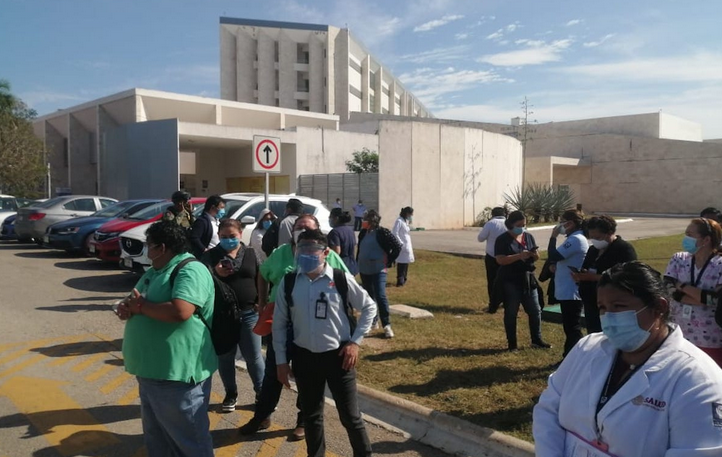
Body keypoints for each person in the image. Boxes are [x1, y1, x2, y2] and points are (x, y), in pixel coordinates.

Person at [533, 261, 722, 456]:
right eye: (602, 307)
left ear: (659, 307)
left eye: (619, 306)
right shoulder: (587, 349)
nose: (608, 316)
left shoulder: (697, 381)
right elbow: (548, 410)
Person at [239, 214, 350, 439]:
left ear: (318, 231)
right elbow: (263, 273)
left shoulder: (327, 254)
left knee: (305, 374)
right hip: (279, 321)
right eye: (299, 228)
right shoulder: (281, 253)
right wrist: (262, 301)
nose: (302, 231)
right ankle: (262, 415)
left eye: (308, 228)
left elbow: (346, 284)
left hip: (309, 324)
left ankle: (304, 421)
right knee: (273, 371)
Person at [115, 220, 216, 457]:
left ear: (162, 247)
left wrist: (140, 308)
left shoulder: (190, 269)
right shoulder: (155, 271)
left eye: (148, 245)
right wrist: (126, 307)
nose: (146, 251)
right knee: (159, 440)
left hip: (177, 375)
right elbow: (136, 300)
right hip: (151, 371)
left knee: (190, 442)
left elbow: (181, 311)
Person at [274, 229, 376, 457]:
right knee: (311, 416)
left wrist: (355, 343)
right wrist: (281, 361)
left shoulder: (340, 279)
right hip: (304, 358)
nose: (306, 254)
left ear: (326, 252)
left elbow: (369, 307)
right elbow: (278, 324)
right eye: (302, 249)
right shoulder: (289, 282)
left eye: (312, 250)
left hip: (338, 357)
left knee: (350, 417)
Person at [200, 219, 264, 413]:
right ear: (218, 236)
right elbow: (200, 281)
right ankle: (231, 394)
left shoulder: (252, 253)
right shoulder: (210, 256)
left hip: (249, 314)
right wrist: (215, 273)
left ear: (240, 234)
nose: (228, 240)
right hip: (222, 315)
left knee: (254, 356)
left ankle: (262, 393)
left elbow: (261, 277)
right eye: (224, 237)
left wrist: (261, 301)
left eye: (232, 236)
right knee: (225, 357)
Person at [664, 217, 722, 365]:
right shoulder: (679, 259)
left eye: (690, 234)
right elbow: (667, 288)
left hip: (711, 337)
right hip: (679, 333)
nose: (686, 238)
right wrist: (701, 298)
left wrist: (682, 286)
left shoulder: (719, 264)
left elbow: (716, 300)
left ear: (706, 240)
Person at [494, 211, 551, 351]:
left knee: (535, 310)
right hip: (511, 280)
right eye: (518, 225)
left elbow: (536, 257)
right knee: (511, 312)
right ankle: (512, 344)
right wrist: (519, 256)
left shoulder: (528, 237)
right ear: (510, 225)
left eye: (524, 225)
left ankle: (537, 340)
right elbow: (500, 260)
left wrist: (534, 255)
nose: (522, 228)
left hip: (528, 278)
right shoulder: (502, 239)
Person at [573, 215, 637, 334]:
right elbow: (586, 268)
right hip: (591, 301)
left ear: (610, 232)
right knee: (593, 334)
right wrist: (580, 276)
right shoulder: (593, 250)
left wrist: (594, 277)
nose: (594, 240)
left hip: (613, 304)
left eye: (597, 237)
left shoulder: (624, 249)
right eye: (591, 237)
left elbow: (627, 276)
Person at [547, 209, 589, 358]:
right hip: (567, 289)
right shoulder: (574, 238)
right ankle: (572, 357)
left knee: (572, 328)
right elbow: (560, 258)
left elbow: (553, 254)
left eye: (562, 221)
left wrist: (553, 237)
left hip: (572, 291)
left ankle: (572, 358)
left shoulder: (576, 239)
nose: (560, 225)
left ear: (570, 223)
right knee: (570, 326)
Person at [357, 209, 403, 338]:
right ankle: (373, 321)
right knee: (369, 297)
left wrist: (389, 260)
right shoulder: (363, 233)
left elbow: (397, 246)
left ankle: (386, 324)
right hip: (364, 269)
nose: (363, 221)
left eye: (365, 219)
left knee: (380, 295)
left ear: (372, 221)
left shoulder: (383, 232)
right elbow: (360, 248)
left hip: (378, 269)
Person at [478, 207, 508, 302]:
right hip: (508, 257)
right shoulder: (509, 223)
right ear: (504, 214)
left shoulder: (490, 224)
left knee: (492, 280)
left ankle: (493, 302)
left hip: (492, 256)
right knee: (507, 280)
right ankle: (506, 300)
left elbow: (480, 238)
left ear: (493, 215)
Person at [190, 195, 225, 259]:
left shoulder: (217, 220)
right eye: (221, 208)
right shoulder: (202, 221)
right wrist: (204, 250)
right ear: (213, 207)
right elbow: (194, 238)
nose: (223, 210)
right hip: (207, 257)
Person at [328, 208, 358, 275]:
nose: (329, 219)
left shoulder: (335, 232)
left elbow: (336, 252)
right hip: (351, 265)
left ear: (336, 218)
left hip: (340, 266)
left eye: (330, 217)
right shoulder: (350, 230)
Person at [392, 206, 415, 287]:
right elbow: (395, 233)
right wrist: (401, 243)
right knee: (401, 263)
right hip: (402, 245)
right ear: (406, 213)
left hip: (407, 245)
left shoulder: (405, 221)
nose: (410, 216)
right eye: (410, 214)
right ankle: (400, 280)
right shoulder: (399, 221)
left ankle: (404, 278)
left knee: (406, 263)